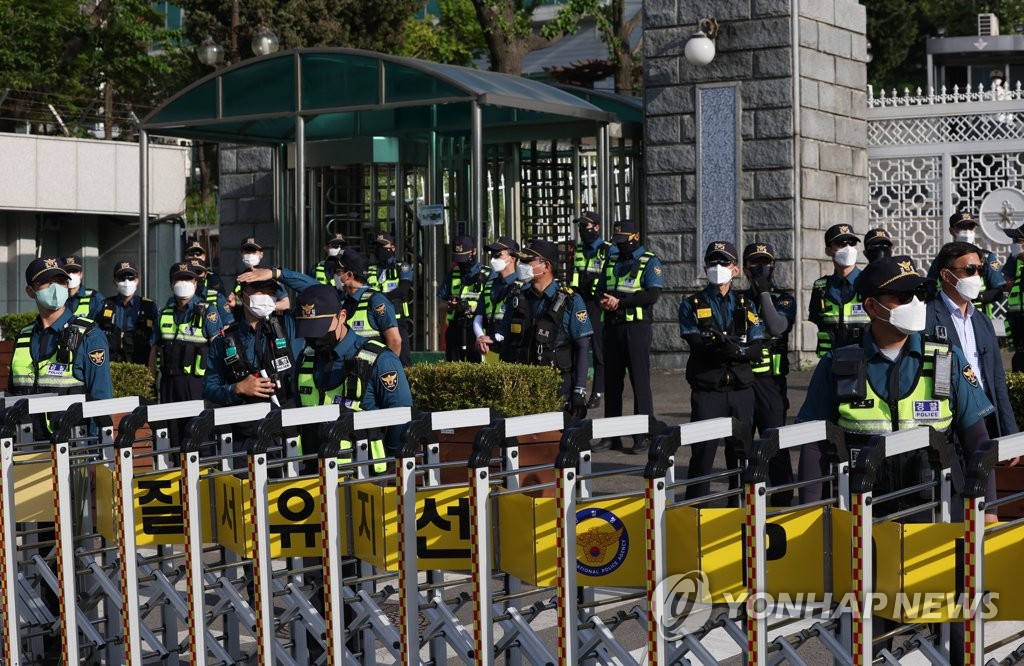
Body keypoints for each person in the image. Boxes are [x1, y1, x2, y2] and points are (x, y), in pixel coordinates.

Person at [796, 255, 997, 518]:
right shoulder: (836, 364)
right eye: (903, 296)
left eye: (919, 293)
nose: (915, 303)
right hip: (863, 512)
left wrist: (989, 510)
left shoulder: (946, 358)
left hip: (939, 511)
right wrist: (810, 510)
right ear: (872, 306)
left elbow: (978, 441)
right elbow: (814, 445)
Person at [678, 241, 765, 498]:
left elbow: (757, 346)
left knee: (741, 456)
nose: (718, 267)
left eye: (724, 262)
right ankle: (695, 510)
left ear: (735, 269)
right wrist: (725, 345)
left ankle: (739, 509)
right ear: (705, 267)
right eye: (713, 262)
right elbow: (694, 341)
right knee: (702, 455)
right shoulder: (692, 303)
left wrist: (736, 350)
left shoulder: (746, 303)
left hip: (740, 391)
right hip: (708, 391)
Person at [293, 284, 413, 468]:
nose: (314, 337)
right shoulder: (305, 358)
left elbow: (401, 417)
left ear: (342, 316)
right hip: (311, 471)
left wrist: (390, 462)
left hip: (364, 475)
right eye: (308, 331)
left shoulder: (380, 359)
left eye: (320, 328)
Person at [926, 242, 1017, 439]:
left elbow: (997, 379)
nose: (976, 276)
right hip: (947, 423)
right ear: (946, 275)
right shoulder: (927, 318)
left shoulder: (982, 320)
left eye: (979, 270)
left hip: (985, 419)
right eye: (969, 270)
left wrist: (1009, 432)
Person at [242, 249, 403, 359]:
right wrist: (277, 273)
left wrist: (384, 370)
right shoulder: (341, 300)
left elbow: (395, 342)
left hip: (372, 374)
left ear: (349, 275)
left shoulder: (376, 301)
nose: (334, 275)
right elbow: (314, 288)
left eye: (337, 272)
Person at [498, 239, 593, 417]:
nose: (522, 265)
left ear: (546, 266)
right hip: (522, 384)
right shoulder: (518, 299)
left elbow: (582, 346)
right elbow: (507, 342)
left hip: (556, 385)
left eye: (528, 262)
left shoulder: (570, 300)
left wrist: (579, 389)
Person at [596, 220, 664, 452]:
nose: (621, 245)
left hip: (636, 328)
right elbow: (600, 288)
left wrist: (621, 303)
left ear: (635, 236)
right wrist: (603, 300)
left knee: (640, 383)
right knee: (612, 383)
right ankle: (611, 436)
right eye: (618, 241)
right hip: (612, 327)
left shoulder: (649, 261)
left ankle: (642, 435)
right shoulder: (612, 259)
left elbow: (652, 295)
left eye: (624, 241)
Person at [9, 258, 113, 411]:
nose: (56, 287)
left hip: (73, 434)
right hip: (26, 433)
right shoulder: (23, 337)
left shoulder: (90, 336)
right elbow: (12, 395)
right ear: (31, 291)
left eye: (61, 281)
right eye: (48, 282)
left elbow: (101, 402)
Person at [739, 242, 797, 504]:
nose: (760, 267)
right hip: (740, 381)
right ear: (745, 268)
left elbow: (776, 327)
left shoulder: (784, 299)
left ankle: (783, 501)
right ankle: (741, 501)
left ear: (773, 265)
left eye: (765, 262)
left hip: (771, 383)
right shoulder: (737, 299)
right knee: (740, 444)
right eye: (754, 263)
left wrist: (763, 294)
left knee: (774, 443)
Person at [152, 261, 225, 447]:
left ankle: (203, 474)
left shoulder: (208, 311)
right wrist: (150, 380)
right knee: (174, 437)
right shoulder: (163, 313)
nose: (183, 283)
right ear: (171, 284)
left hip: (197, 384)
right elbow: (155, 348)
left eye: (188, 279)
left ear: (195, 283)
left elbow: (217, 349)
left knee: (198, 434)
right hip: (169, 383)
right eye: (179, 279)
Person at [204, 276, 303, 409]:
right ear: (241, 296)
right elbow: (209, 389)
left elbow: (320, 292)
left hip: (287, 421)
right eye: (260, 292)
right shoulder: (224, 340)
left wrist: (277, 272)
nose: (266, 297)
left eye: (271, 293)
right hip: (246, 423)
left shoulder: (288, 324)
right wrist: (237, 389)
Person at [569, 211, 618, 408]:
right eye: (580, 227)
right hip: (581, 302)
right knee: (577, 344)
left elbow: (612, 276)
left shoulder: (608, 249)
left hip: (598, 303)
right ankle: (576, 388)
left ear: (596, 227)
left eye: (586, 226)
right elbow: (574, 273)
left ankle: (598, 391)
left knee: (598, 350)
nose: (583, 230)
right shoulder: (579, 249)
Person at [926, 211, 1005, 319]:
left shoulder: (986, 257)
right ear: (951, 230)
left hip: (979, 317)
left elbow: (998, 291)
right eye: (962, 227)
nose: (967, 231)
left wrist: (974, 296)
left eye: (970, 227)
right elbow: (929, 289)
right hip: (948, 315)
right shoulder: (941, 260)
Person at [808, 224, 869, 357]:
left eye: (851, 243)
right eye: (841, 243)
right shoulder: (820, 287)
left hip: (863, 361)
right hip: (830, 361)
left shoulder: (868, 282)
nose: (848, 248)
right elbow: (817, 320)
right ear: (828, 250)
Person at [437, 235, 490, 363]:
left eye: (464, 258)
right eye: (458, 258)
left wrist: (472, 308)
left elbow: (492, 305)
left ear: (474, 252)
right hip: (455, 327)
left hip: (477, 329)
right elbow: (441, 305)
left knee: (477, 367)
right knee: (453, 368)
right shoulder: (452, 274)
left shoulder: (487, 274)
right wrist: (452, 306)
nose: (461, 262)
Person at [96, 259, 159, 364]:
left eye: (130, 278)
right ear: (115, 281)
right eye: (122, 278)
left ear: (137, 280)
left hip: (139, 365)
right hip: (111, 364)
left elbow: (156, 342)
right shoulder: (105, 305)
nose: (126, 282)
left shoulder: (149, 306)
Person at [366, 232, 414, 366]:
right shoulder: (370, 269)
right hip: (375, 323)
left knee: (402, 361)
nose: (379, 250)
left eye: (383, 246)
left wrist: (379, 298)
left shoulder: (402, 267)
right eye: (377, 246)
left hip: (397, 321)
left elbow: (403, 289)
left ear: (393, 247)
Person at [474, 236, 521, 360]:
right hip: (489, 349)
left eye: (498, 254)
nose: (493, 259)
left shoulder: (522, 286)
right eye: (492, 254)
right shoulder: (489, 284)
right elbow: (479, 316)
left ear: (512, 258)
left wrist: (496, 338)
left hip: (512, 350)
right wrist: (480, 338)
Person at [233, 237, 290, 313]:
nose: (250, 255)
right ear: (241, 254)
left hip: (268, 321)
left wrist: (266, 306)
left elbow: (285, 304)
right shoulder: (240, 278)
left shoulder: (270, 275)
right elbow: (239, 304)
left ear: (261, 254)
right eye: (247, 251)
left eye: (253, 251)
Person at [188, 258, 235, 326]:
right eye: (192, 272)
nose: (195, 276)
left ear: (205, 275)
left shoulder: (217, 297)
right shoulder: (178, 298)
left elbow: (228, 325)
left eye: (198, 272)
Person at [1002, 223, 1024, 371]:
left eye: (1018, 240)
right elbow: (1005, 282)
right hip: (1017, 319)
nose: (1015, 244)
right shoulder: (1014, 258)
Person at [60, 255, 104, 320]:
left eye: (75, 271)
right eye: (67, 271)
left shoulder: (95, 298)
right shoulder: (57, 299)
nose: (71, 275)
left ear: (81, 274)